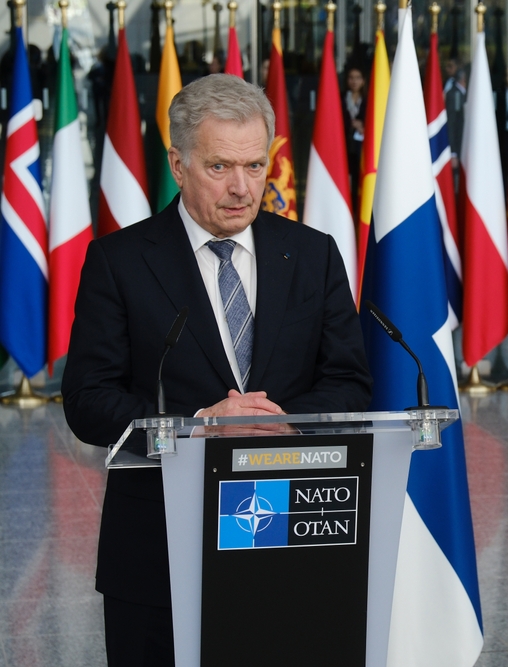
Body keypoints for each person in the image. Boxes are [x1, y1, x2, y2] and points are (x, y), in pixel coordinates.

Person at [61, 74, 372, 667]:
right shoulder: (119, 261)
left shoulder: (312, 253)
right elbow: (87, 400)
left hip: (295, 542)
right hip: (158, 554)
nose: (241, 188)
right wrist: (199, 422)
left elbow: (349, 383)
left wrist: (275, 422)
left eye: (256, 166)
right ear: (178, 164)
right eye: (220, 167)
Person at [343, 64, 366, 213]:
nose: (354, 81)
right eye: (351, 78)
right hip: (344, 147)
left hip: (361, 149)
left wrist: (363, 127)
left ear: (363, 81)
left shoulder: (369, 100)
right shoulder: (340, 98)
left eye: (358, 78)